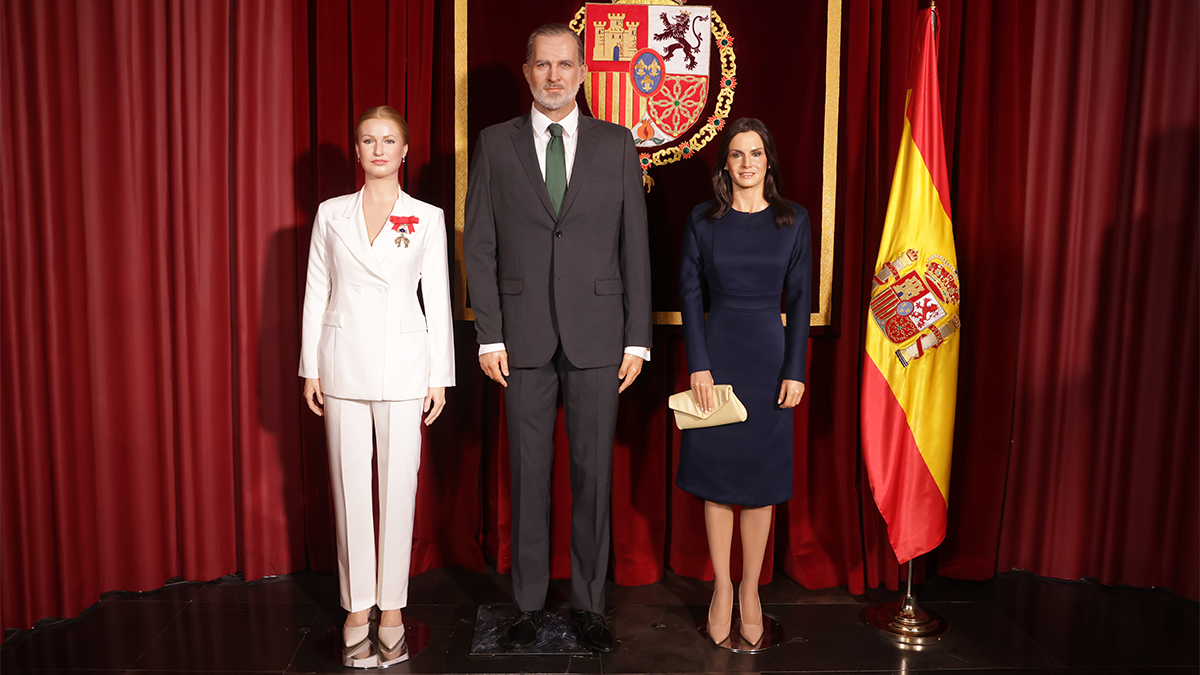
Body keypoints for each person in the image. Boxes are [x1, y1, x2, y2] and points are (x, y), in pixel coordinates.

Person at [463, 23, 652, 653]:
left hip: (601, 339)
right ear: (527, 71)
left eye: (564, 65)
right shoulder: (494, 145)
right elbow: (480, 246)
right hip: (521, 342)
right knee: (529, 474)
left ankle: (591, 608)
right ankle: (526, 606)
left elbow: (636, 247)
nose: (553, 75)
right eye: (542, 65)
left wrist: (638, 339)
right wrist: (489, 335)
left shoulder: (617, 144)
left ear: (582, 73)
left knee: (593, 478)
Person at [299, 106, 455, 659]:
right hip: (341, 362)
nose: (379, 149)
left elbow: (436, 297)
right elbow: (317, 289)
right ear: (358, 151)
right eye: (368, 140)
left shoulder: (427, 217)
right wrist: (309, 366)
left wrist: (440, 375)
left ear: (405, 150)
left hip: (406, 365)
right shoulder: (330, 214)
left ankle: (392, 605)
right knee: (348, 490)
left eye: (389, 140)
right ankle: (356, 603)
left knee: (398, 490)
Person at [676, 118, 811, 649]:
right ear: (725, 164)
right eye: (737, 154)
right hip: (718, 354)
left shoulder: (793, 220)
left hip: (771, 360)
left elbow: (798, 299)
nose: (748, 163)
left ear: (768, 160)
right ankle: (722, 590)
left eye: (756, 153)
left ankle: (752, 590)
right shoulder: (702, 220)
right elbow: (690, 294)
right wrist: (699, 362)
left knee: (759, 486)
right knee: (716, 480)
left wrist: (796, 368)